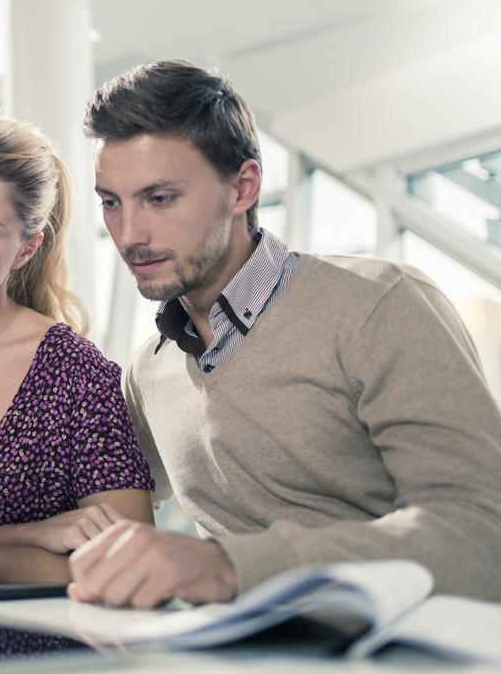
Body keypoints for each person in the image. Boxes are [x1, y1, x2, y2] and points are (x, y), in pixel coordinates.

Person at [69, 59, 501, 608]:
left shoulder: (379, 304)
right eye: (111, 202)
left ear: (243, 187)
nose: (128, 235)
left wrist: (230, 567)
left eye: (160, 199)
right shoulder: (149, 369)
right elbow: (94, 514)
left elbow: (482, 536)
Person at [0, 114, 153, 584]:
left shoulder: (77, 375)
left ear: (25, 249)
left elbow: (132, 562)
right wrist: (28, 534)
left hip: (48, 653)